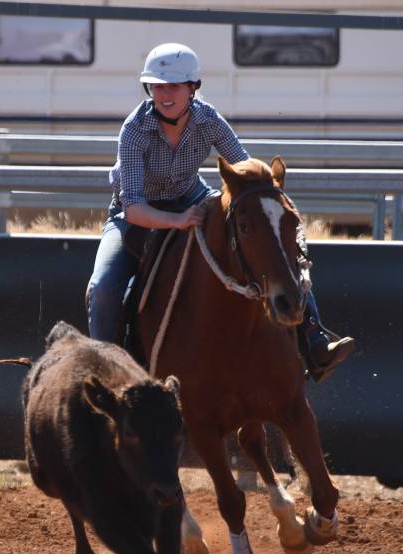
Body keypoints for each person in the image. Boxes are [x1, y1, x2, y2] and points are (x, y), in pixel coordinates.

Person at [84, 42, 355, 382]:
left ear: (192, 88)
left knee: (269, 246)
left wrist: (265, 196)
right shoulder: (134, 129)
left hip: (193, 197)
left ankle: (315, 341)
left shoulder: (208, 119)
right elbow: (134, 206)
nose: (164, 94)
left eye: (173, 86)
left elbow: (243, 167)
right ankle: (103, 375)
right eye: (156, 86)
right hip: (133, 216)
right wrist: (178, 221)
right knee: (103, 286)